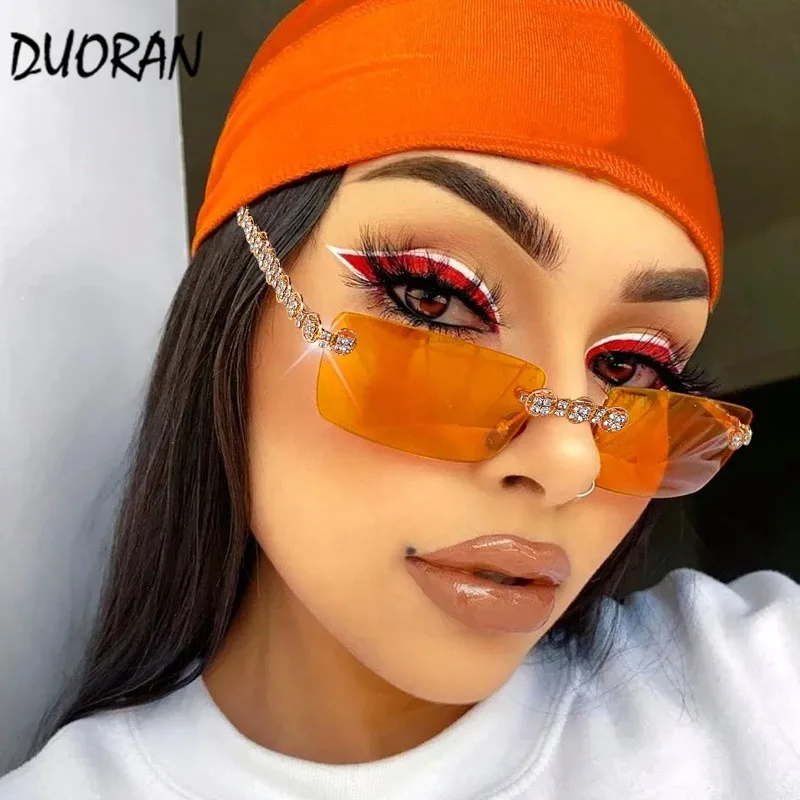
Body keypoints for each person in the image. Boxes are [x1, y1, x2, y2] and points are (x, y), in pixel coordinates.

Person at [1, 0, 798, 797]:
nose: (569, 461)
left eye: (628, 369)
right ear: (234, 314)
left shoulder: (756, 687)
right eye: (433, 302)